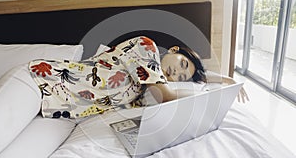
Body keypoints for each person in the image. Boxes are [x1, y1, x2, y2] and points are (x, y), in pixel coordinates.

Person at [29, 36, 248, 119]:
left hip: (58, 111)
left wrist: (227, 80)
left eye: (181, 76)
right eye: (182, 63)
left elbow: (194, 80)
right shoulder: (146, 46)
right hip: (40, 82)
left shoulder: (145, 89)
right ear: (173, 50)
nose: (177, 73)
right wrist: (220, 91)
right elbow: (167, 96)